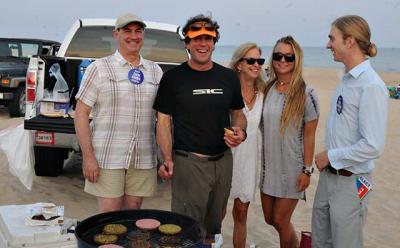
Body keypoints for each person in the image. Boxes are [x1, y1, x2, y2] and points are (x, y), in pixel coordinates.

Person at [153, 14, 247, 240]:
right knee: (186, 228)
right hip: (189, 163)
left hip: (223, 162)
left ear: (215, 42)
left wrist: (240, 131)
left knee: (213, 227)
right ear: (187, 43)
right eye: (196, 39)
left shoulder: (228, 77)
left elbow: (238, 113)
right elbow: (163, 122)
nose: (202, 44)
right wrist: (167, 159)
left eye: (208, 38)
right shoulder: (173, 78)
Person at [74, 13, 163, 213]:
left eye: (138, 31)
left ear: (143, 35)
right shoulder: (98, 68)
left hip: (143, 157)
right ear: (116, 34)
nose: (133, 36)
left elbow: (164, 118)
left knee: (132, 217)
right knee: (109, 220)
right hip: (107, 157)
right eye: (127, 31)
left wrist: (166, 157)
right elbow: (81, 114)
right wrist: (88, 157)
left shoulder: (155, 71)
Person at [312, 15, 388, 248]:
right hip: (329, 178)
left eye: (332, 38)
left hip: (353, 182)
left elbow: (373, 145)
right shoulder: (346, 80)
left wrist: (330, 156)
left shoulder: (371, 86)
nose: (327, 45)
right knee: (320, 242)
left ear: (350, 41)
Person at [260, 35, 319, 248]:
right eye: (278, 55)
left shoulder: (306, 93)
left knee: (280, 219)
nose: (283, 60)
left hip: (293, 170)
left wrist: (307, 170)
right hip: (269, 168)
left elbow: (310, 135)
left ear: (297, 60)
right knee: (269, 218)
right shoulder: (267, 90)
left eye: (289, 56)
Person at [227, 43, 265, 248]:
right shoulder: (227, 89)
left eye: (260, 60)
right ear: (239, 64)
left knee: (241, 213)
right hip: (226, 156)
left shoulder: (264, 93)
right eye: (251, 60)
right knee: (218, 211)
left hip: (249, 159)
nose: (256, 64)